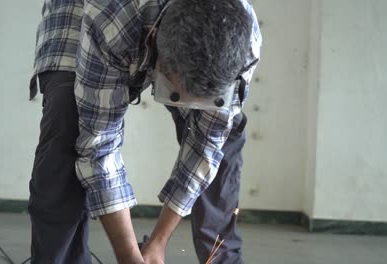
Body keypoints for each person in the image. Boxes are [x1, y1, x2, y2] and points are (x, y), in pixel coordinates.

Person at [28, 0, 261, 263]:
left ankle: (221, 258)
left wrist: (158, 242)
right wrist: (128, 254)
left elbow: (206, 147)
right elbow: (99, 144)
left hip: (152, 25)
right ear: (158, 56)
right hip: (84, 12)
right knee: (68, 117)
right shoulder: (110, 16)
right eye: (179, 94)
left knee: (224, 136)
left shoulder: (244, 36)